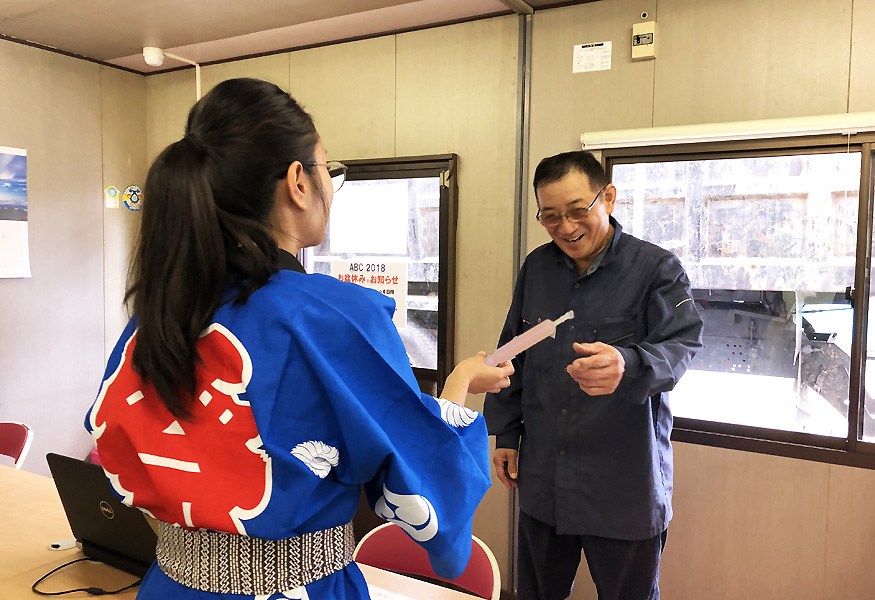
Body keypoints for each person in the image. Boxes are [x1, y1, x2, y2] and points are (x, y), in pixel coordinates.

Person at [85, 77, 514, 600]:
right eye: (327, 168)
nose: (330, 185)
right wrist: (458, 385)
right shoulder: (334, 317)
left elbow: (114, 448)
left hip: (170, 584)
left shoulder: (158, 316)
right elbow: (425, 484)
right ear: (297, 181)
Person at [484, 151, 703, 600]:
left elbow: (682, 346)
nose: (565, 227)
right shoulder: (537, 268)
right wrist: (506, 433)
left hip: (624, 485)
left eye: (577, 210)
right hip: (545, 479)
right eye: (550, 216)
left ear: (608, 198)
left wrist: (629, 364)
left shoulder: (656, 269)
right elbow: (513, 352)